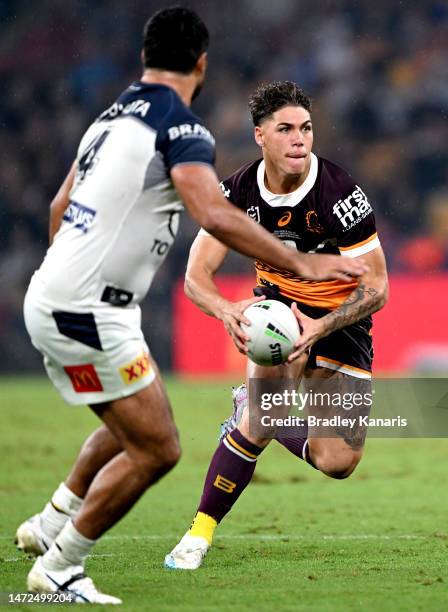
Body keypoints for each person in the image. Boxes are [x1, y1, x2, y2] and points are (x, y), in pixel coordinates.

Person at [16, 11, 367, 604]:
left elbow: (59, 206)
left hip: (57, 298)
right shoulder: (182, 129)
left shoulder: (107, 120)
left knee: (129, 419)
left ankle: (50, 521)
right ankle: (60, 567)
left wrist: (66, 277)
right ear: (200, 63)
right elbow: (212, 214)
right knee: (158, 447)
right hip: (92, 311)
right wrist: (302, 264)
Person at [164, 81, 388, 570]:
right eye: (285, 129)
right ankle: (197, 535)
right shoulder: (235, 193)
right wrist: (225, 310)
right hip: (277, 310)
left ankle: (254, 407)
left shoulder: (340, 195)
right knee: (259, 423)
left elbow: (377, 289)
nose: (299, 140)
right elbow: (196, 276)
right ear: (260, 136)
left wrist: (320, 326)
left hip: (338, 320)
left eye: (305, 128)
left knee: (337, 462)